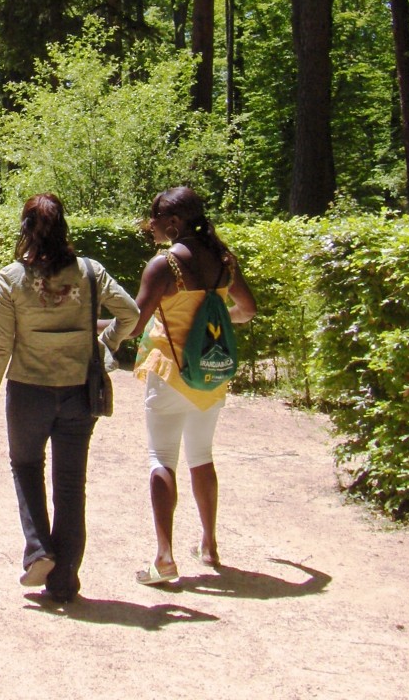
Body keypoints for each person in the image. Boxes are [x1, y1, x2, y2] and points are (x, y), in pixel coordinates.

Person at [0, 193, 140, 603]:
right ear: (64, 225)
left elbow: (1, 345)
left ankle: (39, 551)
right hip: (77, 392)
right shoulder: (89, 272)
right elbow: (131, 313)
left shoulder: (10, 278)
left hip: (28, 392)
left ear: (25, 229)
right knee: (70, 485)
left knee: (26, 467)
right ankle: (65, 580)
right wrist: (104, 345)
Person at [130, 186, 257, 585]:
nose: (150, 226)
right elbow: (247, 310)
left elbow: (132, 325)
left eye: (154, 219)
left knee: (161, 458)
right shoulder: (221, 259)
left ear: (173, 223)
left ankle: (164, 557)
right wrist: (213, 326)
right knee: (202, 456)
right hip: (210, 373)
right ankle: (209, 544)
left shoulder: (164, 265)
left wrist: (85, 325)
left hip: (170, 372)